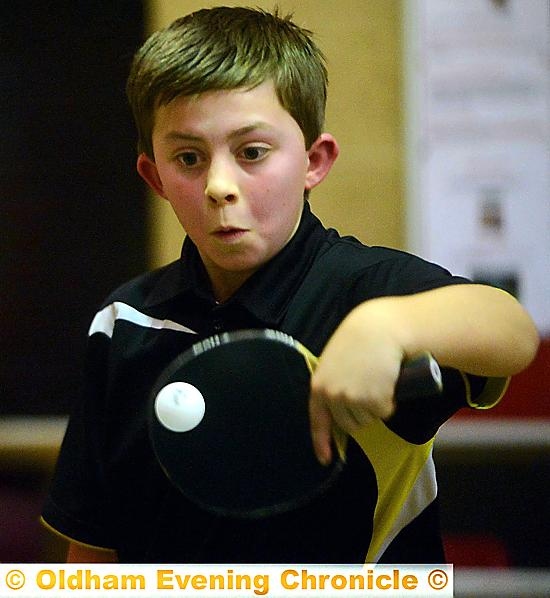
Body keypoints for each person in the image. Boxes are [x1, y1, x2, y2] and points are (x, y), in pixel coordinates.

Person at [41, 6, 538, 564]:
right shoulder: (124, 321)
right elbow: (92, 549)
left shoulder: (365, 290)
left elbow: (509, 327)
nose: (219, 186)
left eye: (252, 152)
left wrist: (386, 327)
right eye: (188, 158)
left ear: (314, 161)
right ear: (154, 175)